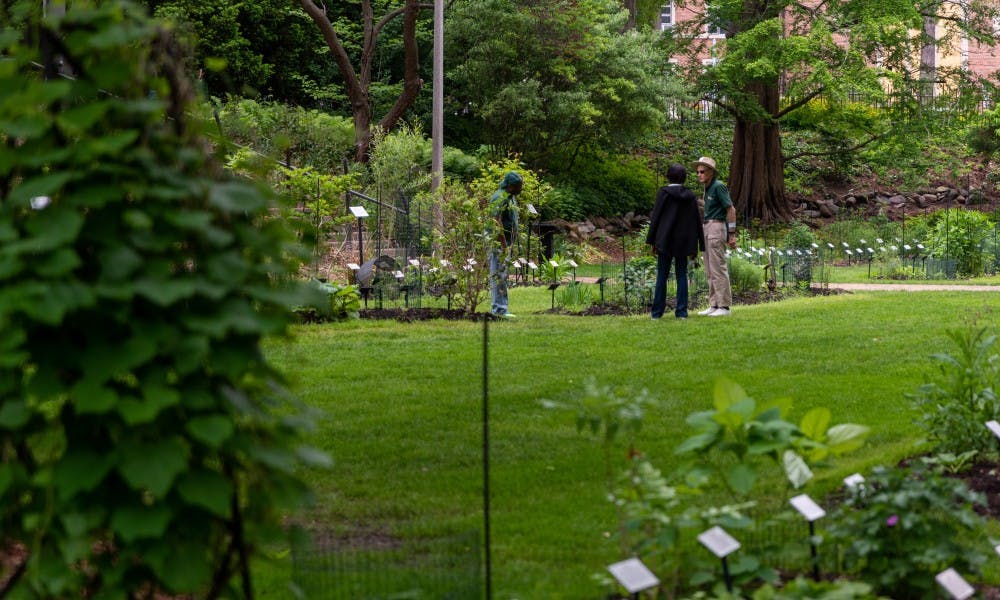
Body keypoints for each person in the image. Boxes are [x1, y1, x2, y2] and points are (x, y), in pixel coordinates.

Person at [646, 164, 704, 319]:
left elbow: (656, 218)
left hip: (664, 240)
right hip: (683, 242)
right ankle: (682, 312)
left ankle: (657, 313)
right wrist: (697, 245)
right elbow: (696, 221)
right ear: (684, 178)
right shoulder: (690, 196)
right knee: (681, 275)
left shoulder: (663, 194)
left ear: (668, 176)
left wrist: (652, 241)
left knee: (662, 276)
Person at [694, 156, 737, 317]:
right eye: (697, 172)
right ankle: (714, 304)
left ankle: (724, 306)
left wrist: (731, 234)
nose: (699, 174)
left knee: (718, 267)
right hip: (707, 226)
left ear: (711, 172)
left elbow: (731, 210)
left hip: (716, 227)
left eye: (702, 171)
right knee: (709, 268)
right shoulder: (707, 187)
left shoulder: (718, 186)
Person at [488, 171, 523, 317]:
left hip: (506, 241)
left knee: (502, 274)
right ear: (511, 185)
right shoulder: (500, 197)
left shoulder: (511, 197)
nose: (521, 188)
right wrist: (503, 244)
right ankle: (498, 310)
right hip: (498, 241)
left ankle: (502, 308)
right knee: (498, 274)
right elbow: (496, 221)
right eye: (519, 185)